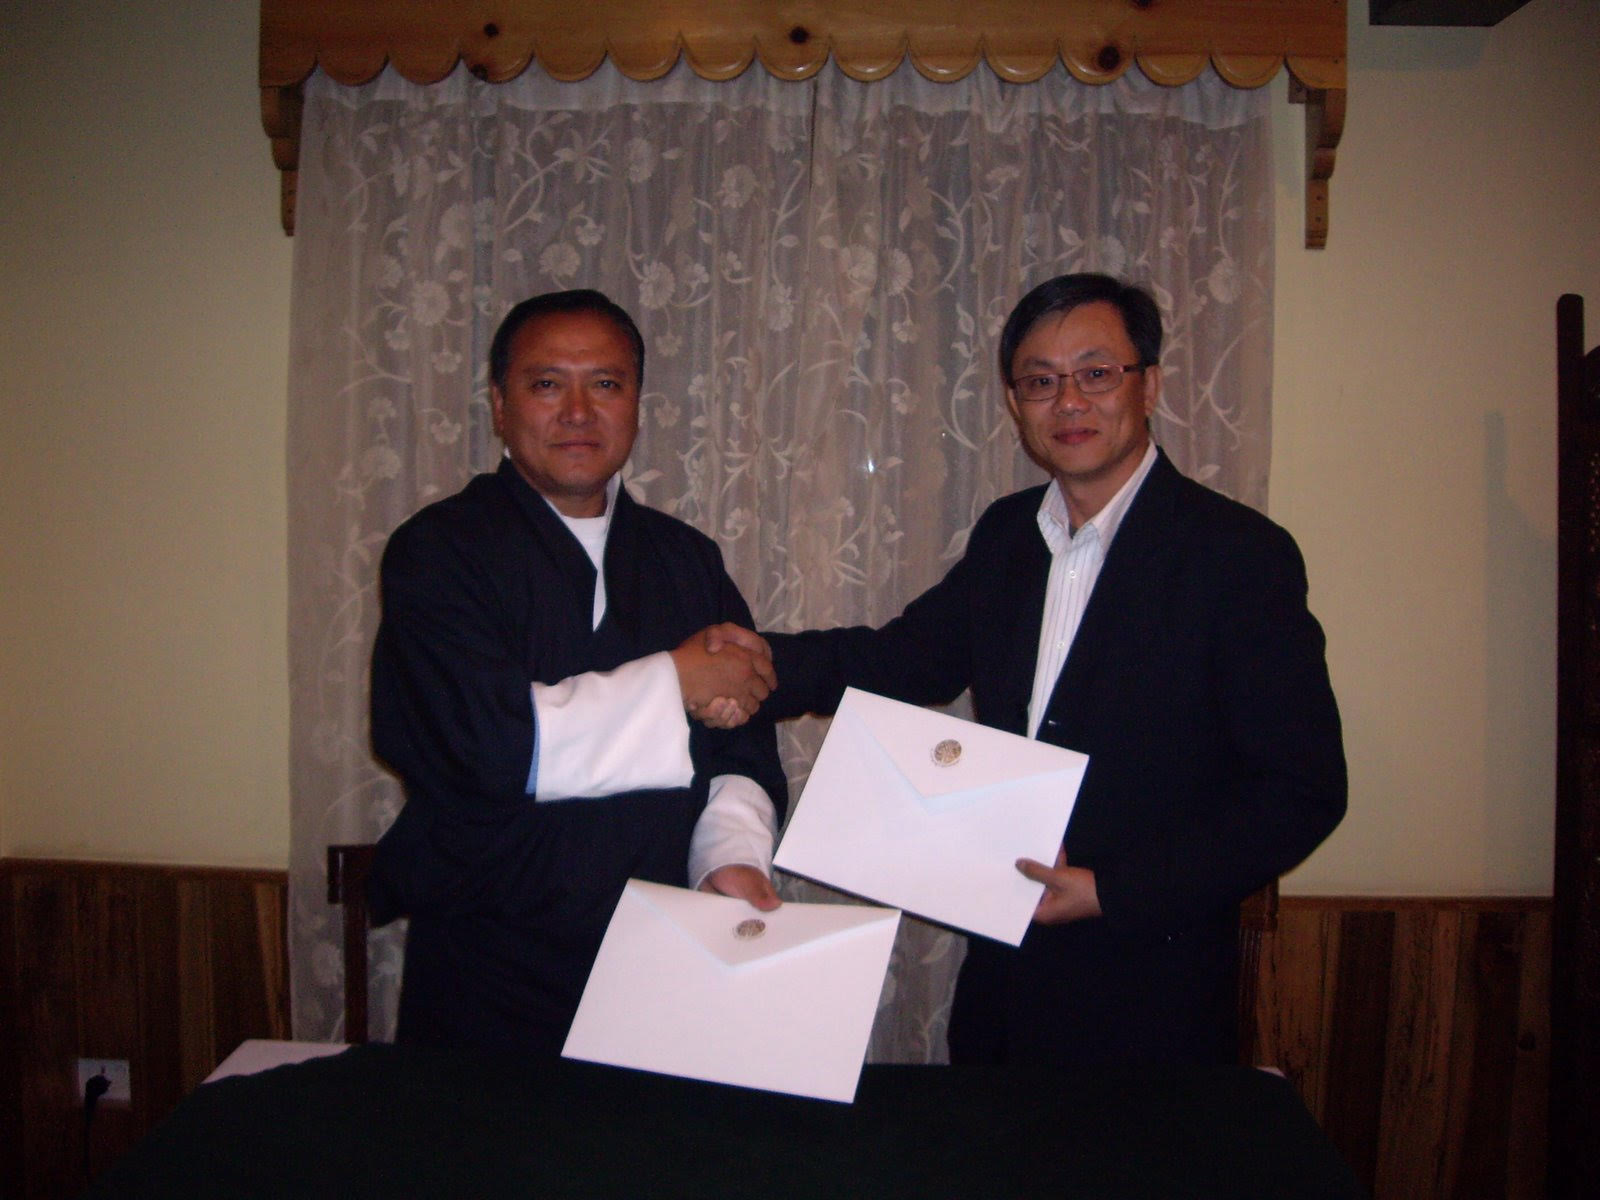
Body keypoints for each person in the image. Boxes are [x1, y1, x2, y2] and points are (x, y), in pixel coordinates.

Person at [739, 273, 1347, 1066]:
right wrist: (749, 664)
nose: (1068, 402)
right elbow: (904, 658)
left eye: (1096, 373)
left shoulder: (1238, 556)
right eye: (1041, 381)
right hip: (1003, 980)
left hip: (1153, 991)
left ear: (1150, 384)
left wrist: (1109, 889)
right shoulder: (1007, 538)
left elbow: (1302, 791)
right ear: (1014, 401)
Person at [367, 288, 787, 1055]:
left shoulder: (686, 559)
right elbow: (484, 742)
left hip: (661, 953)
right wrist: (676, 684)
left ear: (635, 402)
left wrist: (728, 855)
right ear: (500, 404)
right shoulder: (437, 552)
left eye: (606, 383)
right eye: (546, 383)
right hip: (485, 968)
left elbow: (741, 750)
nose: (577, 411)